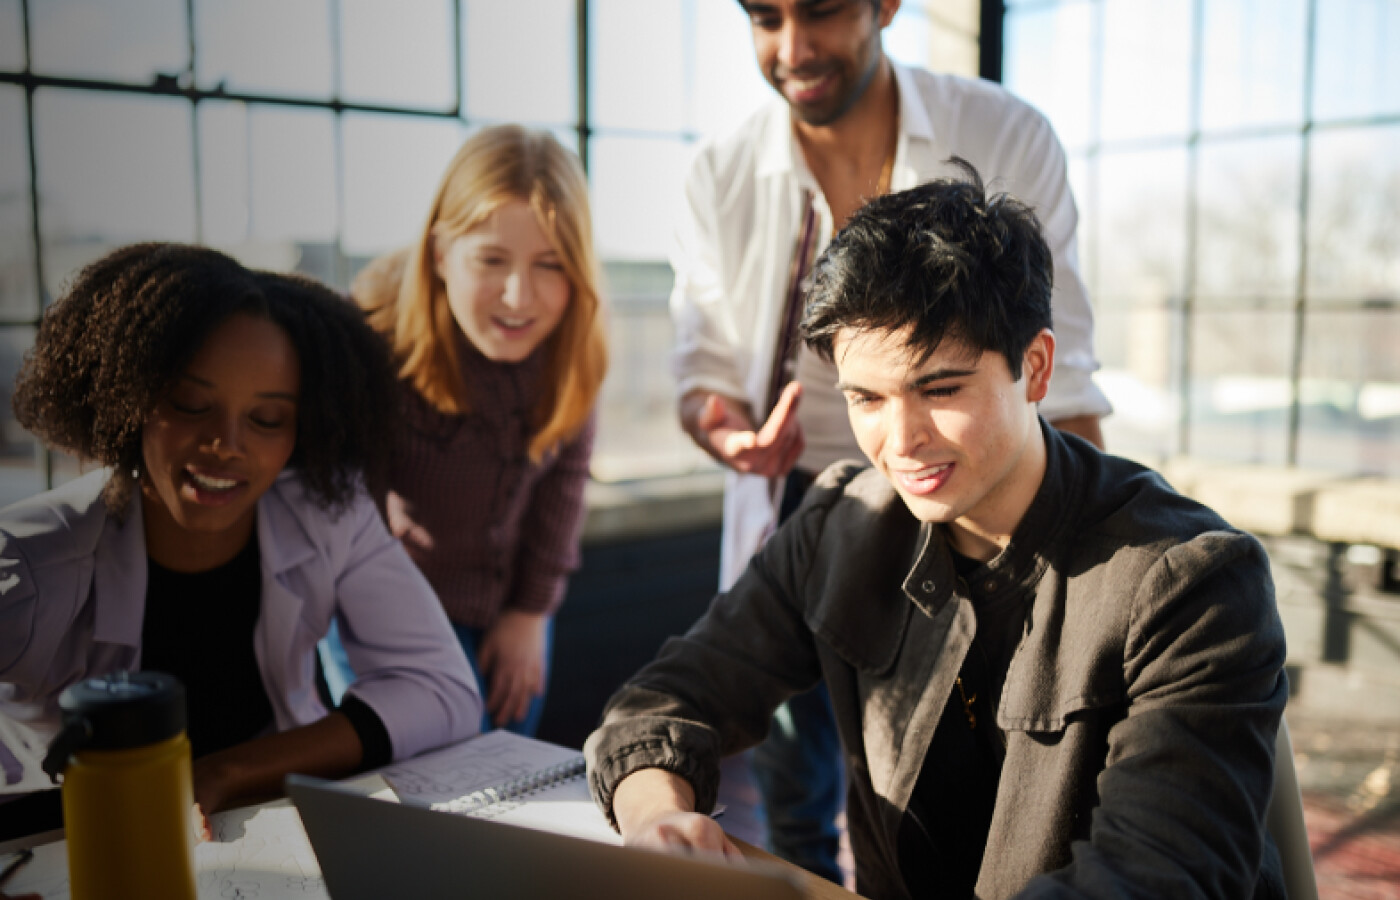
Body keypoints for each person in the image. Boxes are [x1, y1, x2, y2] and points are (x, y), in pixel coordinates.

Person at [586, 166, 1287, 900]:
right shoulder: (839, 523)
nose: (901, 440)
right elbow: (665, 698)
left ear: (1037, 367)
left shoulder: (1191, 582)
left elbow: (1154, 879)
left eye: (940, 389)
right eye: (867, 398)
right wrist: (656, 817)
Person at [671, 0, 1113, 878]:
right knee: (806, 793)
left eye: (823, 11)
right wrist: (733, 438)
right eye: (763, 18)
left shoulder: (1002, 132)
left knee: (995, 784)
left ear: (886, 6)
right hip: (806, 501)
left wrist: (1102, 562)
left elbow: (1060, 376)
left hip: (991, 497)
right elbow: (703, 379)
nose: (793, 49)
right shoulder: (719, 175)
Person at [0, 244, 482, 842]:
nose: (225, 443)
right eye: (192, 404)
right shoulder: (26, 560)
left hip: (276, 832)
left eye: (267, 419)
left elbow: (443, 691)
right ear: (132, 394)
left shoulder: (330, 517)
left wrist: (219, 774)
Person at [342, 124, 607, 736]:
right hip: (385, 600)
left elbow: (563, 487)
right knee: (435, 760)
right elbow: (338, 511)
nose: (519, 295)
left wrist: (529, 614)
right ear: (440, 254)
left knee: (509, 751)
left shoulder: (573, 350)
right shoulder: (372, 341)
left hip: (510, 604)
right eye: (491, 259)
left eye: (550, 265)